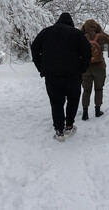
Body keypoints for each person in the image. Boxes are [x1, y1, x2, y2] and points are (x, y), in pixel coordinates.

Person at [31, 13, 92, 142]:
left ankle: (59, 131)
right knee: (73, 100)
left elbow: (34, 48)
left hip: (52, 76)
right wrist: (82, 68)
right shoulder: (77, 34)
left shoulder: (46, 32)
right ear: (71, 23)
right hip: (73, 76)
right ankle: (69, 126)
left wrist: (41, 67)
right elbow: (88, 51)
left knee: (56, 103)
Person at [80, 19, 109, 120]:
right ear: (96, 26)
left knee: (86, 90)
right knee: (98, 89)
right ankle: (97, 111)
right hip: (99, 67)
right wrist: (100, 32)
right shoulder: (100, 36)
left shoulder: (81, 36)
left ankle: (85, 113)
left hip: (86, 68)